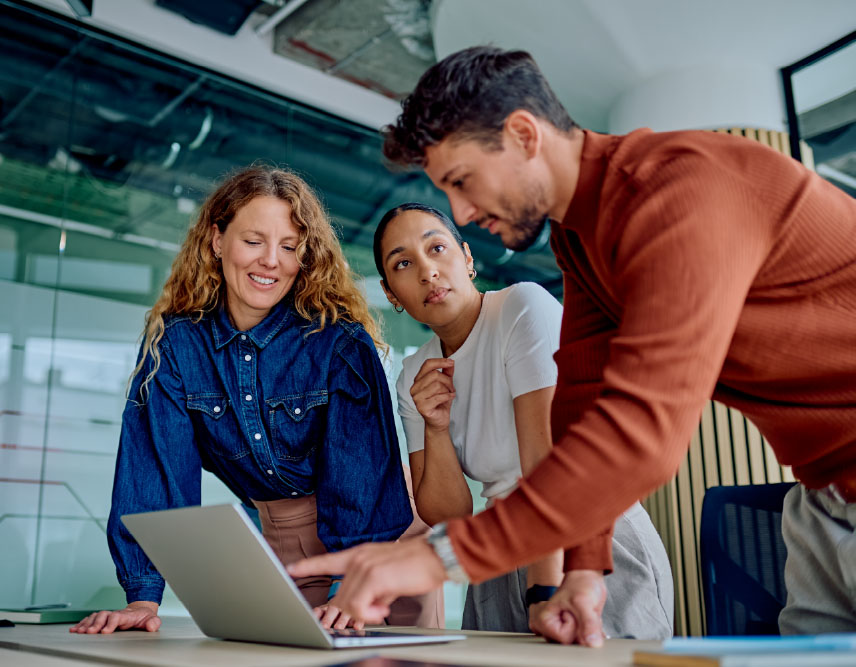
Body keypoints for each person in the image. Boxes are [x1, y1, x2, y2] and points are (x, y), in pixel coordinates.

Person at [288, 46, 856, 644]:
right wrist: (585, 568)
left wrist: (437, 559)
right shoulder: (581, 240)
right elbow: (581, 413)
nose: (462, 211)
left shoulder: (676, 193)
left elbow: (642, 435)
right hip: (821, 498)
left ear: (523, 134)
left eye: (462, 181)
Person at [71, 166, 441, 635]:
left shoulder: (339, 344)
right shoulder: (177, 346)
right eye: (253, 241)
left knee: (391, 657)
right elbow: (156, 471)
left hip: (380, 536)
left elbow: (361, 477)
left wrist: (354, 584)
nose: (271, 261)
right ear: (216, 240)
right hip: (280, 536)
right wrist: (143, 598)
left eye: (289, 247)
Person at [375, 202, 673, 638]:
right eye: (403, 263)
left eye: (436, 248)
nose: (427, 271)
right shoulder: (414, 375)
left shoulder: (522, 307)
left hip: (585, 538)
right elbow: (448, 513)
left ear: (467, 258)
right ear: (390, 293)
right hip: (500, 550)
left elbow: (547, 469)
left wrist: (543, 589)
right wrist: (436, 427)